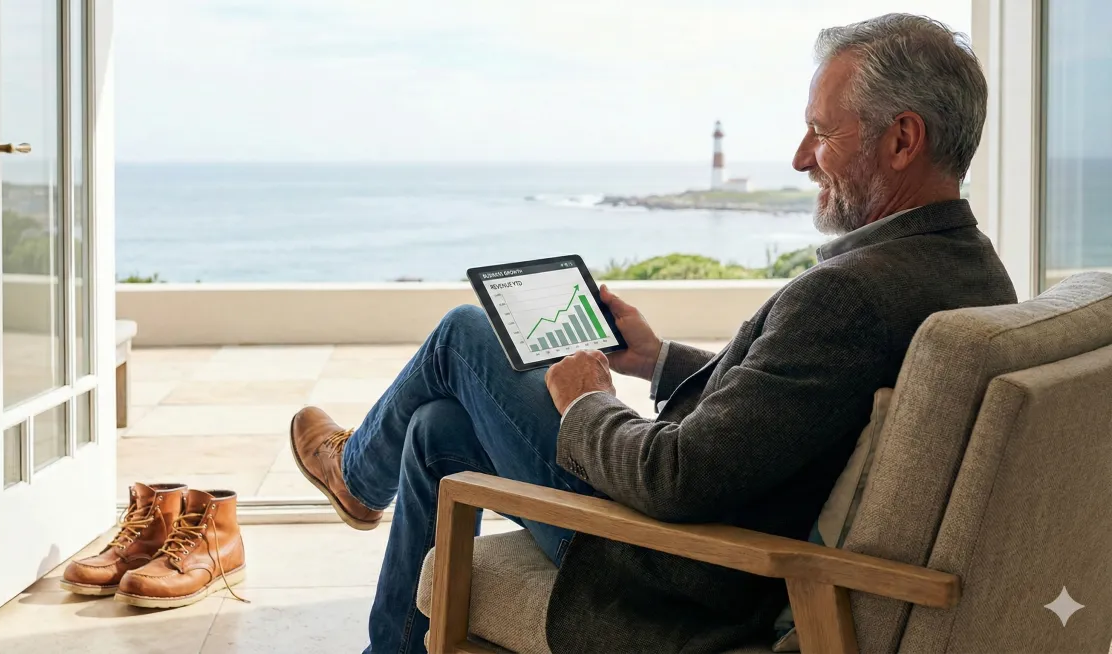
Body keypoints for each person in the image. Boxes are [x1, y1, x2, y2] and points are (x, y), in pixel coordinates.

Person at [290, 13, 1017, 654]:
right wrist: (657, 360)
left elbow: (676, 478)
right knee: (435, 430)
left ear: (902, 139)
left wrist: (589, 400)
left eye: (822, 133)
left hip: (672, 567)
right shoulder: (973, 271)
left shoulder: (848, 297)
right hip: (721, 534)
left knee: (463, 336)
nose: (801, 158)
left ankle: (355, 475)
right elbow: (794, 408)